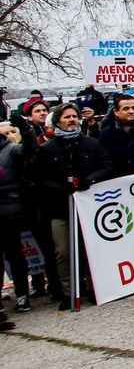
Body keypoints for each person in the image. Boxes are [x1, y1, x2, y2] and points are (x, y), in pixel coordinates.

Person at [36, 103, 111, 307]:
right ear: (58, 120)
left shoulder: (91, 144)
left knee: (90, 250)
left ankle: (97, 288)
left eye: (74, 116)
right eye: (66, 117)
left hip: (89, 208)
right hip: (60, 209)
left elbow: (107, 166)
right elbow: (40, 178)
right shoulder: (47, 149)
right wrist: (61, 187)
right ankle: (70, 292)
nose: (71, 120)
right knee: (63, 251)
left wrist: (91, 180)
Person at [1, 119, 60, 315]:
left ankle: (53, 286)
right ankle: (22, 294)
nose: (9, 135)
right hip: (5, 214)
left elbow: (29, 148)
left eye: (12, 131)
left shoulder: (12, 149)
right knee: (14, 255)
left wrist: (26, 130)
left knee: (46, 248)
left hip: (28, 207)